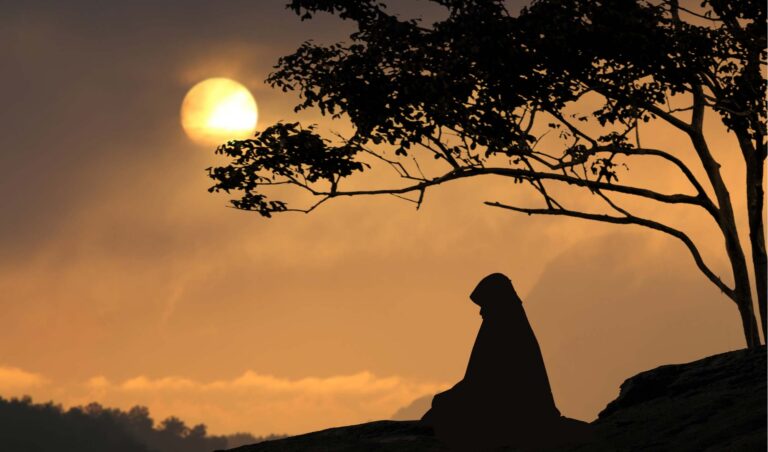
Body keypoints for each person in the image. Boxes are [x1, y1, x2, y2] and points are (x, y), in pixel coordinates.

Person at [421, 273, 571, 451]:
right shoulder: (516, 328)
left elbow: (482, 385)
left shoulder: (501, 332)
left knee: (438, 415)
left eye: (484, 305)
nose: (481, 312)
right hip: (506, 406)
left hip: (509, 412)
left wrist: (446, 398)